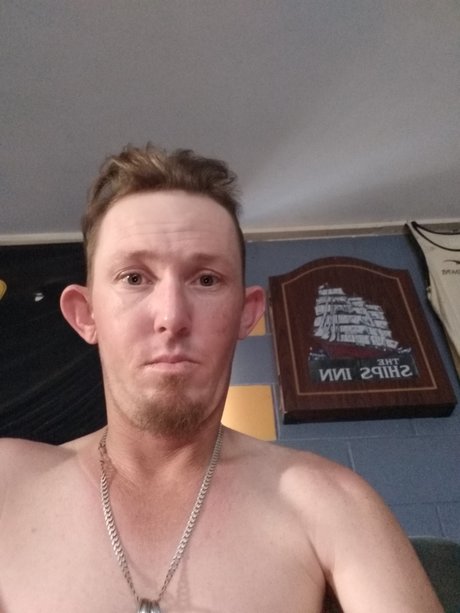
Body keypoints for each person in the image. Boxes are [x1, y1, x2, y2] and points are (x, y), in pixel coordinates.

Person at [0, 145, 442, 613]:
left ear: (245, 314)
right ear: (86, 314)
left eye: (206, 280)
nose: (171, 316)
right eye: (134, 278)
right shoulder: (8, 484)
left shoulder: (332, 502)